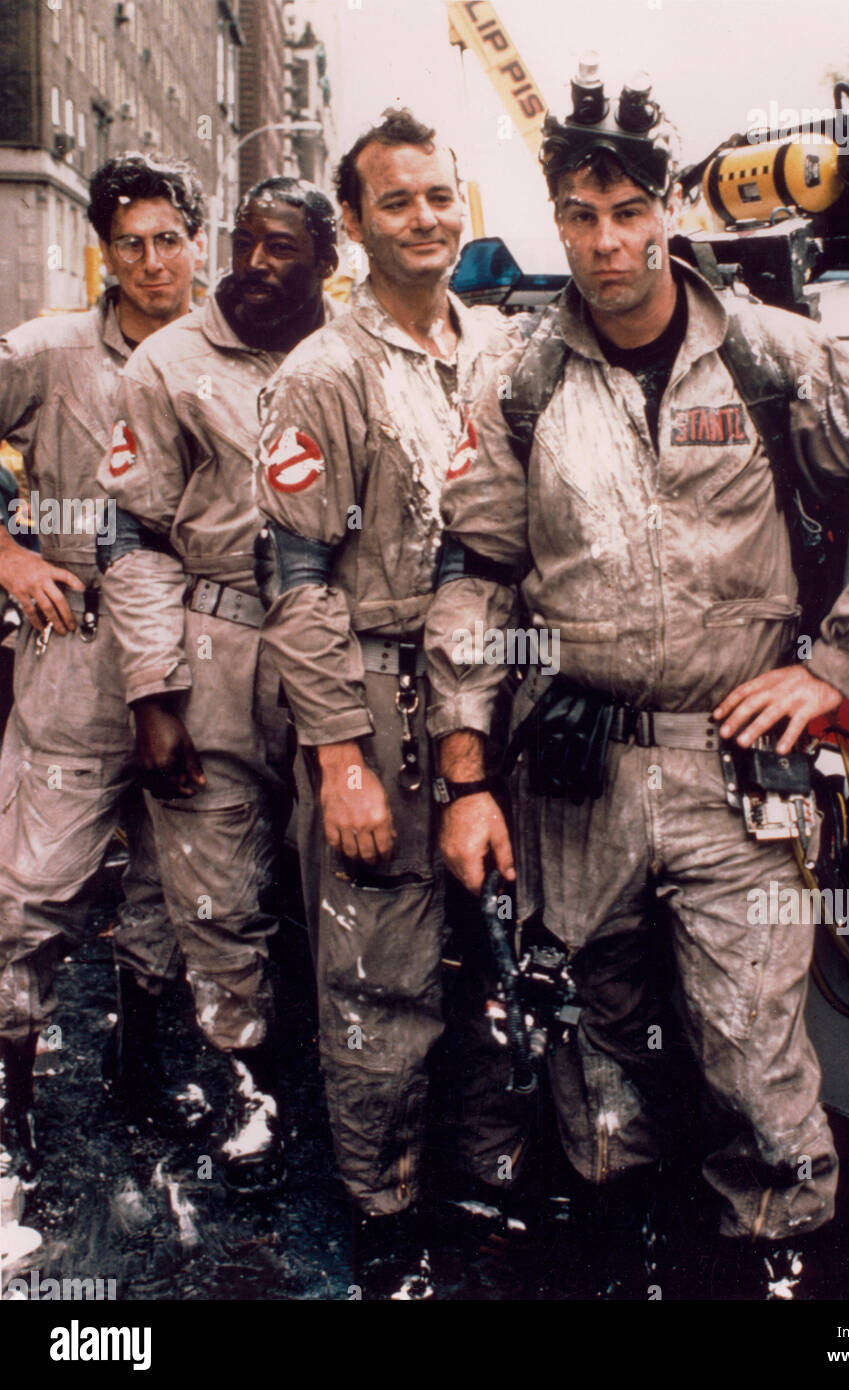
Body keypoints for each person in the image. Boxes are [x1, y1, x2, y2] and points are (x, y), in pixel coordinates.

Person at [424, 74, 849, 1297]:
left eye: (626, 209)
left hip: (735, 781)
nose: (606, 242)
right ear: (555, 219)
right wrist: (464, 776)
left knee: (754, 1057)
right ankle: (626, 1262)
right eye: (579, 215)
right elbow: (476, 575)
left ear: (667, 204)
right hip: (576, 773)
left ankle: (773, 1272)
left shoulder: (778, 357)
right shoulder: (518, 379)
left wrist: (831, 667)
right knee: (593, 1054)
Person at [253, 109, 519, 1297]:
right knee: (378, 968)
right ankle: (383, 1203)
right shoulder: (323, 372)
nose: (425, 220)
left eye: (439, 197)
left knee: (506, 945)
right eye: (396, 202)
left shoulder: (503, 349)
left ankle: (488, 1170)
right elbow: (297, 582)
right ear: (353, 224)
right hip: (371, 686)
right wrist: (340, 760)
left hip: (503, 681)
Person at [97, 177, 339, 1194]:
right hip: (217, 643)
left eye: (283, 246)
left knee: (349, 882)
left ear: (329, 256)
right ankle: (253, 1089)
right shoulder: (168, 362)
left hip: (335, 645)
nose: (256, 263)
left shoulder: (360, 352)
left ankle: (349, 1085)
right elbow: (132, 534)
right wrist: (154, 691)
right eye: (245, 241)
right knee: (217, 887)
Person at [0, 153, 206, 1177]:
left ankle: (142, 1065)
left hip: (195, 641)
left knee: (175, 876)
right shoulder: (47, 352)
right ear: (104, 251)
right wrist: (9, 551)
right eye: (130, 241)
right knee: (32, 883)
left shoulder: (234, 353)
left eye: (169, 237)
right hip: (76, 638)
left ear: (195, 243)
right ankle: (11, 1099)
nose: (152, 259)